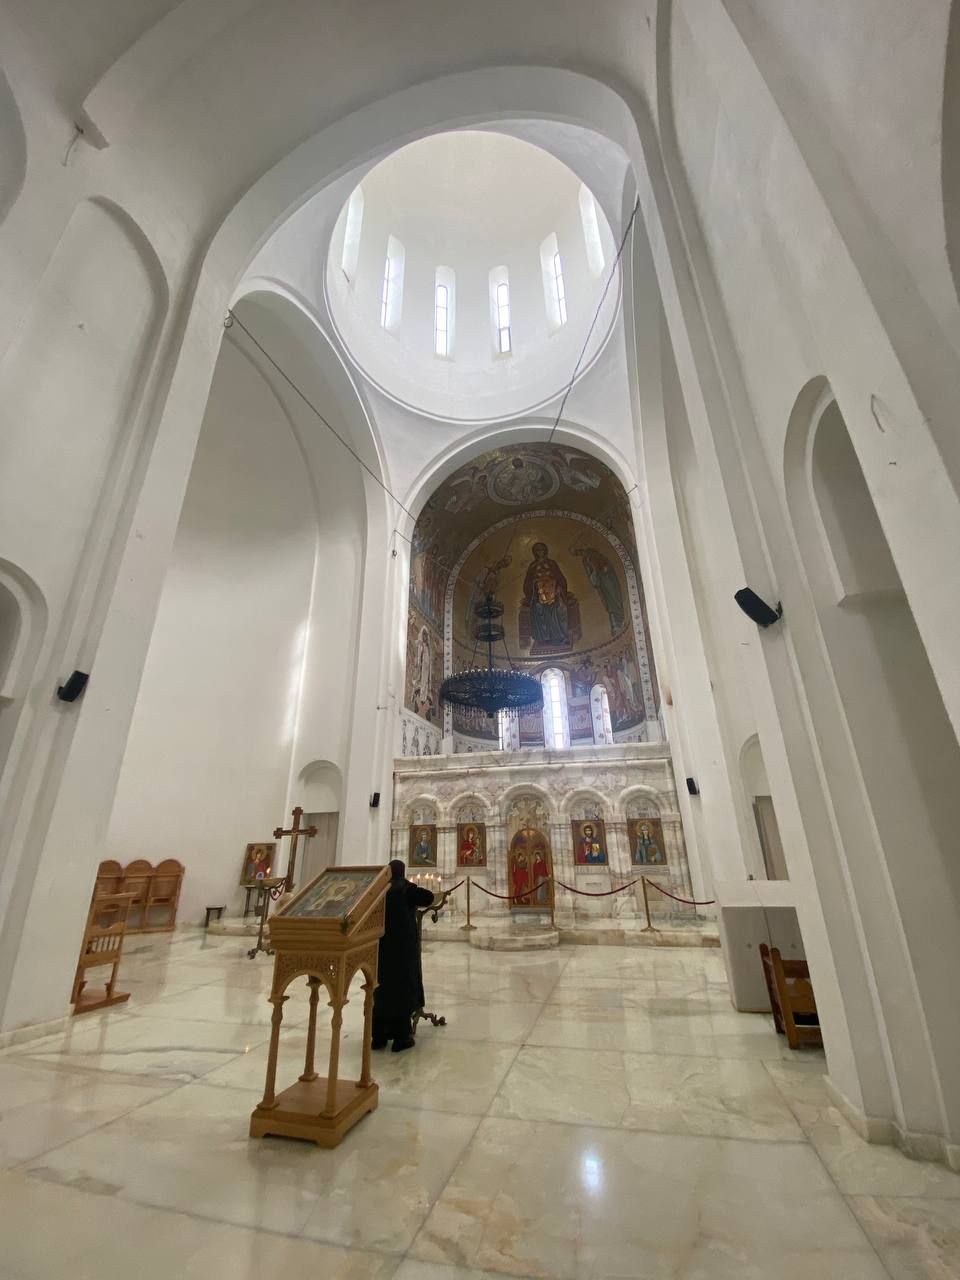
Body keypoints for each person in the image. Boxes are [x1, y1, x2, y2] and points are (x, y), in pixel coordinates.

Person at [372, 860, 435, 1052]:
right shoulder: (406, 889)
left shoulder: (378, 891)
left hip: (382, 949)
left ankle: (378, 1037)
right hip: (402, 950)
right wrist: (410, 885)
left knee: (381, 991)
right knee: (401, 991)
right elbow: (429, 897)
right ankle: (401, 1038)